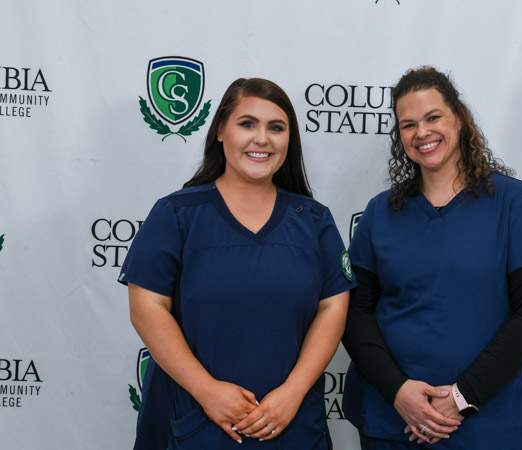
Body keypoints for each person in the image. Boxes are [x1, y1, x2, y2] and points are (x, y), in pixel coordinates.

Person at [119, 78, 355, 449]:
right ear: (219, 132)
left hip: (290, 424)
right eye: (247, 124)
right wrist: (207, 391)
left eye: (276, 127)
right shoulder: (176, 215)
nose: (262, 138)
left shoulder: (313, 220)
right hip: (196, 420)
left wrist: (292, 393)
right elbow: (147, 307)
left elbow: (333, 307)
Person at [342, 67, 522, 449]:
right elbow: (354, 312)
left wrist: (461, 398)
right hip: (391, 419)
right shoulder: (381, 212)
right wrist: (398, 391)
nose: (422, 133)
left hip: (486, 423)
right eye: (408, 124)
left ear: (459, 117)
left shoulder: (515, 203)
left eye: (433, 117)